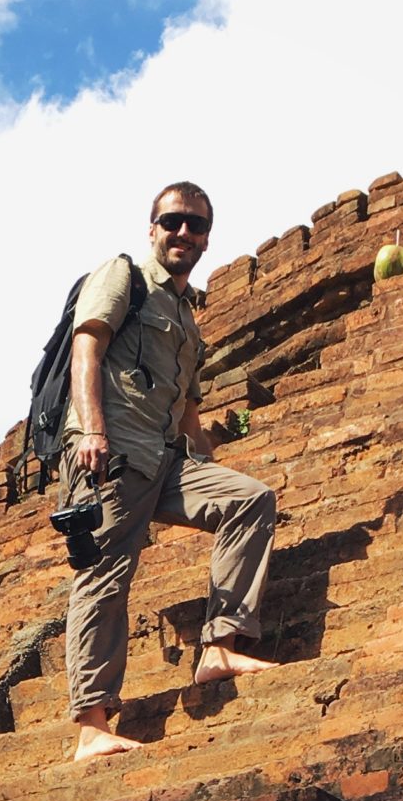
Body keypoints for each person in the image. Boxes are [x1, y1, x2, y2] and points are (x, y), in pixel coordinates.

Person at [61, 182, 276, 763]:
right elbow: (87, 348)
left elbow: (187, 410)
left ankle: (220, 646)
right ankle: (92, 726)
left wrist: (206, 466)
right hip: (113, 453)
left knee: (249, 499)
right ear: (153, 228)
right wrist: (93, 431)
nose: (184, 232)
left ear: (207, 239)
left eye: (196, 225)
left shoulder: (187, 317)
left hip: (165, 459)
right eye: (173, 221)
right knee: (105, 576)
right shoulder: (124, 276)